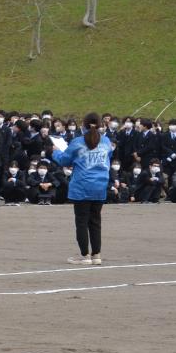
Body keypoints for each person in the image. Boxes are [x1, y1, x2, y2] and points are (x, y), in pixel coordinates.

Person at [51, 111, 112, 265]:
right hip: (100, 185)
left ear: (83, 125)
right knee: (96, 221)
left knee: (82, 222)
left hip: (82, 185)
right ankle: (96, 254)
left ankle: (85, 255)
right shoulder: (106, 142)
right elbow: (107, 160)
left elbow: (65, 160)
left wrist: (55, 152)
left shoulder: (78, 142)